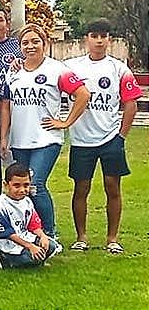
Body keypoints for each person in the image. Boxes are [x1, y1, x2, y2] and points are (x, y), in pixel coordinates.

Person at [0, 23, 91, 238]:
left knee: (35, 185)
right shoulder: (13, 71)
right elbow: (6, 105)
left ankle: (50, 235)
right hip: (19, 140)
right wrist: (3, 136)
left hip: (46, 139)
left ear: (45, 43)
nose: (30, 46)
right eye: (25, 43)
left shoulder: (56, 69)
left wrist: (65, 122)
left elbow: (83, 94)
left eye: (35, 41)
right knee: (21, 189)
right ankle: (29, 232)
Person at [64, 18, 143, 254]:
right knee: (81, 188)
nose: (99, 40)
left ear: (109, 39)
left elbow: (131, 105)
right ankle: (81, 237)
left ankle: (112, 239)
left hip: (110, 139)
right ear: (86, 39)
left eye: (103, 36)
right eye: (94, 36)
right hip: (81, 140)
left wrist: (121, 136)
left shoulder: (119, 68)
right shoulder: (71, 66)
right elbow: (43, 71)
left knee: (112, 187)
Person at [0, 163, 61, 269]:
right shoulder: (1, 206)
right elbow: (8, 234)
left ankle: (34, 259)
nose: (22, 190)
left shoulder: (27, 201)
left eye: (26, 185)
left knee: (51, 246)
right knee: (29, 257)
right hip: (10, 242)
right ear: (6, 184)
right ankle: (4, 257)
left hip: (25, 237)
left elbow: (33, 224)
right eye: (16, 185)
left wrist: (42, 236)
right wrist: (30, 246)